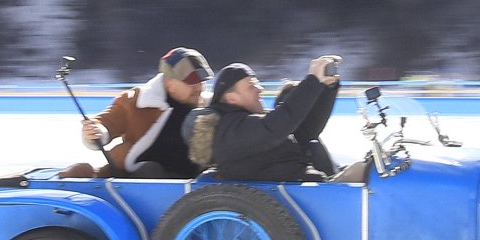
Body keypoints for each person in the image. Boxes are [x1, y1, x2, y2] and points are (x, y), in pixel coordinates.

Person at [57, 47, 213, 179]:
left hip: (192, 184)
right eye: (191, 82)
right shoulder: (137, 100)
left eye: (202, 82)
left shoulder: (210, 107)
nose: (199, 88)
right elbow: (105, 123)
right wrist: (96, 131)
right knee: (151, 170)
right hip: (137, 178)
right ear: (169, 83)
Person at [207, 55, 366, 182]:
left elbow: (305, 132)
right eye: (251, 86)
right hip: (293, 197)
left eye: (257, 84)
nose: (260, 89)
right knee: (367, 174)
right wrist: (312, 80)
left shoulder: (247, 124)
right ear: (232, 99)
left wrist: (326, 87)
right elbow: (275, 127)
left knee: (369, 168)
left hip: (305, 188)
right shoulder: (230, 129)